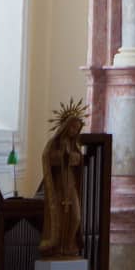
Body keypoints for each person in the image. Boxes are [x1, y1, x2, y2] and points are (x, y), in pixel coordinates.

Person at [38, 99, 87, 259]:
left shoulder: (75, 146)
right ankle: (59, 246)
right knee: (59, 217)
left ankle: (69, 244)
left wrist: (73, 158)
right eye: (73, 127)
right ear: (66, 126)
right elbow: (47, 158)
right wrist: (62, 158)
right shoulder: (55, 143)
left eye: (77, 129)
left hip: (70, 184)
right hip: (59, 185)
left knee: (76, 216)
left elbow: (79, 160)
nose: (74, 131)